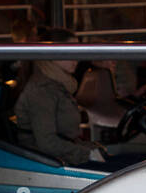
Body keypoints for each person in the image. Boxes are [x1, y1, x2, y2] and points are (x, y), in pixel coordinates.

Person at [14, 30, 99, 167]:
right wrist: (86, 153)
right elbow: (47, 143)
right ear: (52, 55)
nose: (76, 58)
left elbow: (65, 137)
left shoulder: (57, 85)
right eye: (70, 53)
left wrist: (92, 148)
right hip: (49, 166)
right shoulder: (42, 90)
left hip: (62, 159)